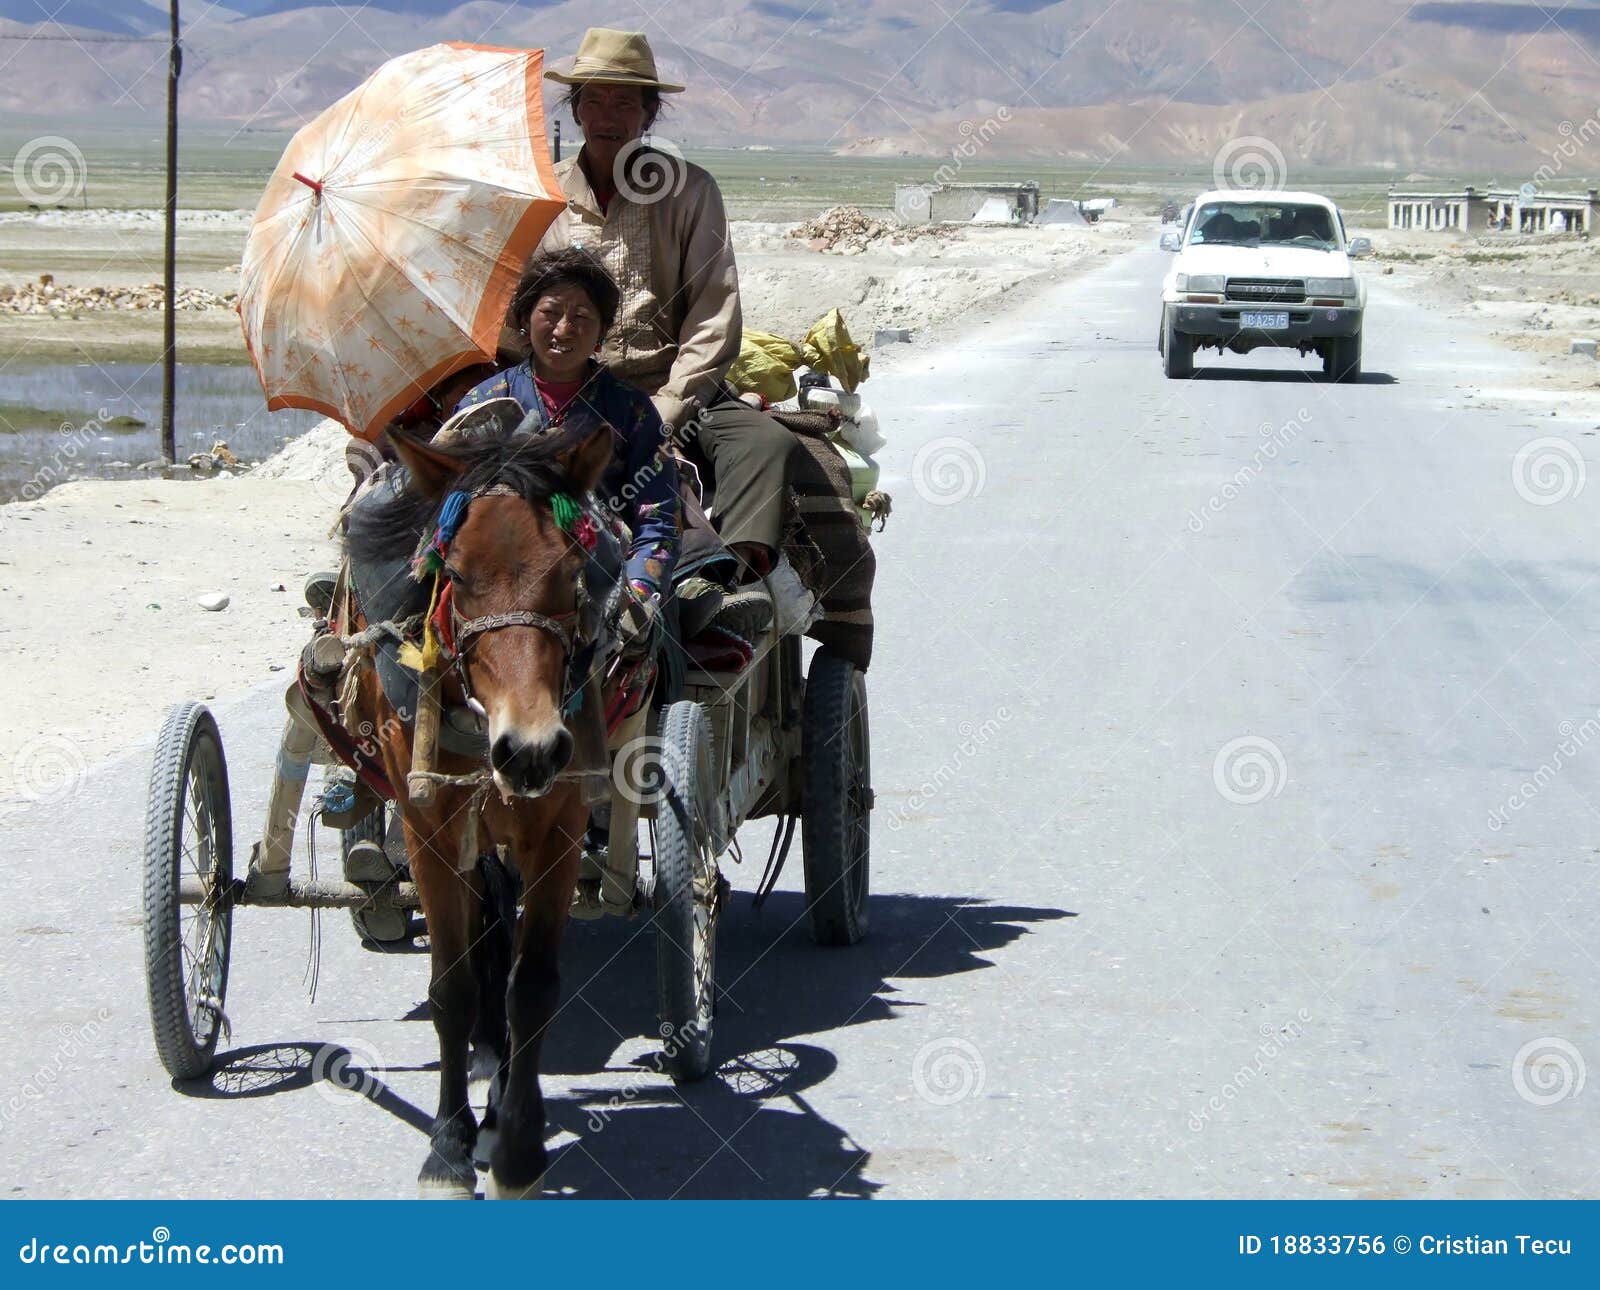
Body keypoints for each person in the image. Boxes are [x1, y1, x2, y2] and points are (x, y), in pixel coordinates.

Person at [535, 26, 818, 634]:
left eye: (626, 101)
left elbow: (714, 314)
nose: (609, 116)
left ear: (649, 112)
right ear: (575, 106)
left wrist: (668, 409)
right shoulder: (543, 198)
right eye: (596, 100)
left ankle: (728, 587)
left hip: (671, 383)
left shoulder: (690, 191)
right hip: (575, 390)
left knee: (763, 446)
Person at [456, 246, 679, 664]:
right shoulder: (485, 402)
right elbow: (455, 509)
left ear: (602, 331)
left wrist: (638, 593)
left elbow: (657, 516)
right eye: (551, 312)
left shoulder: (631, 410)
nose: (564, 329)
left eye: (581, 318)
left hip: (601, 577)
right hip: (498, 584)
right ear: (525, 318)